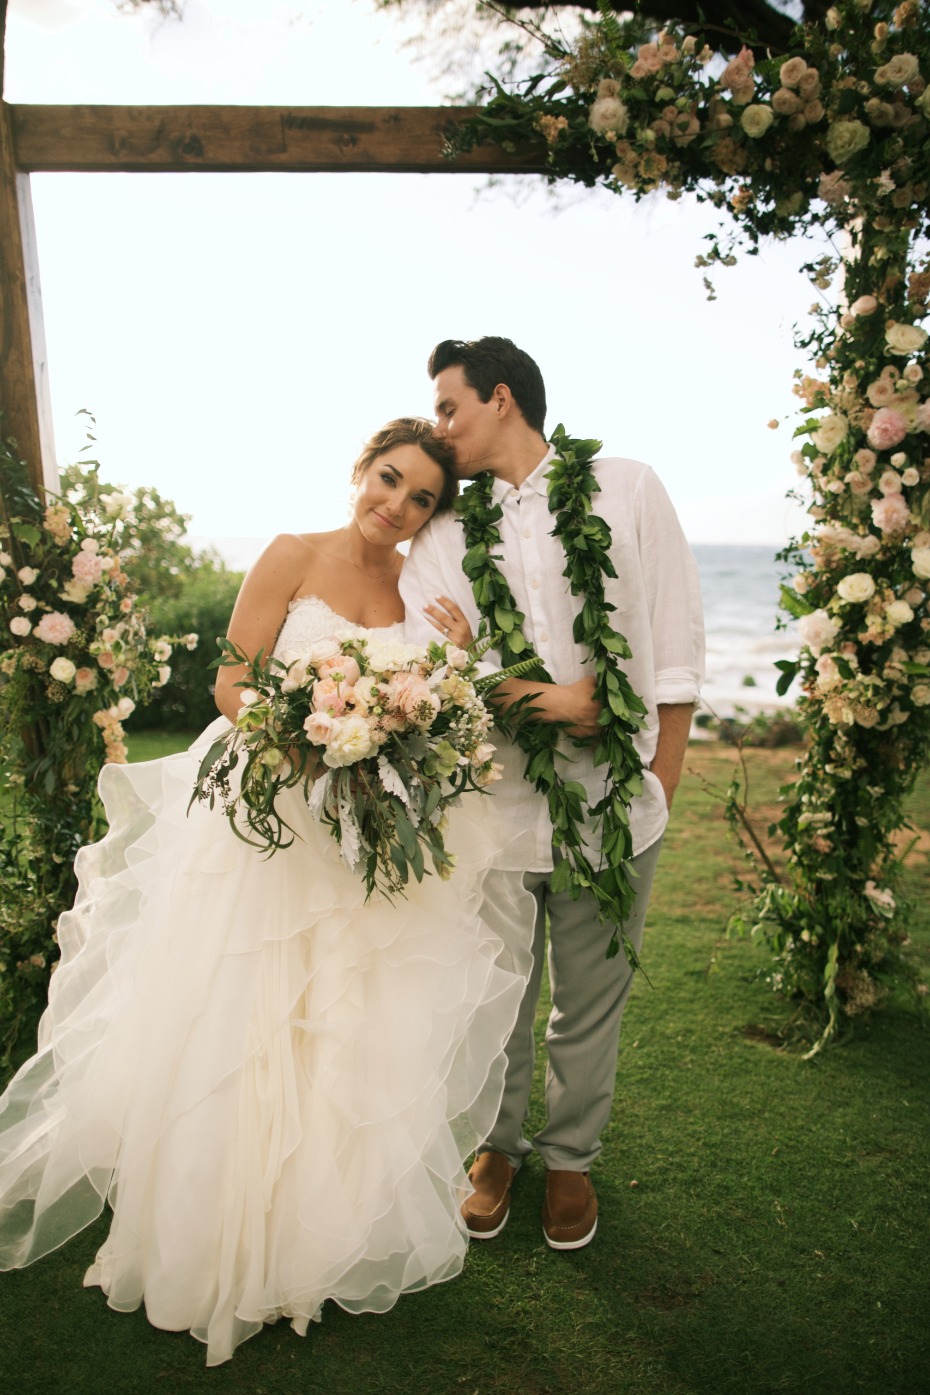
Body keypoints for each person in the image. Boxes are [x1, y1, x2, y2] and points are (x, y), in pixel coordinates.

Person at [0, 417, 532, 1366]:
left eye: (419, 500)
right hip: (272, 813)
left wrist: (449, 659)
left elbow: (422, 697)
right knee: (246, 1014)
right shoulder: (292, 552)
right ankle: (215, 1233)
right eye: (388, 479)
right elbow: (232, 679)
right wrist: (307, 739)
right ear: (361, 468)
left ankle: (313, 1238)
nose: (396, 506)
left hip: (359, 823)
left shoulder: (415, 584)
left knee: (343, 1018)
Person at [400, 339, 705, 1251]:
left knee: (590, 1000)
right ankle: (495, 1150)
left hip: (616, 803)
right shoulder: (445, 531)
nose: (439, 427)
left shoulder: (627, 487)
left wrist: (663, 779)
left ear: (501, 398)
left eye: (449, 407)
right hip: (492, 804)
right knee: (497, 994)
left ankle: (570, 1159)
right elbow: (434, 662)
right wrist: (548, 698)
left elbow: (675, 630)